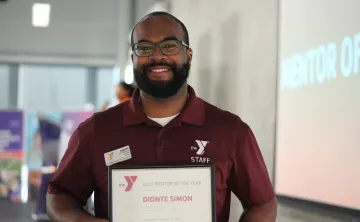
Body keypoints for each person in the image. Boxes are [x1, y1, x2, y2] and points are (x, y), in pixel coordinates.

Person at [46, 11, 277, 222]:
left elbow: (263, 204)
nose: (157, 57)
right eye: (144, 48)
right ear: (133, 58)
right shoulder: (96, 131)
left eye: (169, 46)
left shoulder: (231, 131)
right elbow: (60, 196)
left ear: (188, 54)